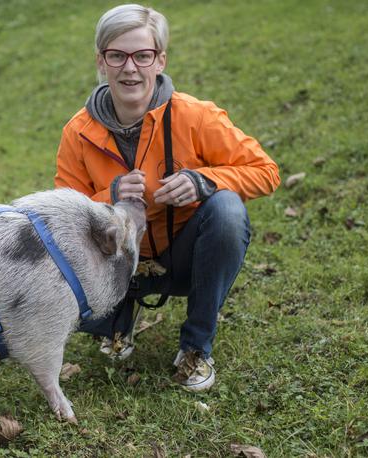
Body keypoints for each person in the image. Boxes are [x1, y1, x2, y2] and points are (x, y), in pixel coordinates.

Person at [54, 4, 280, 392]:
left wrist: (204, 181)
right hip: (118, 262)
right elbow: (61, 216)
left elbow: (266, 171)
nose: (130, 68)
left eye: (142, 55)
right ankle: (116, 318)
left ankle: (195, 347)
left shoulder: (195, 116)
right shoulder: (78, 132)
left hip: (183, 259)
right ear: (101, 61)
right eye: (117, 55)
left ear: (160, 60)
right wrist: (105, 199)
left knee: (227, 209)